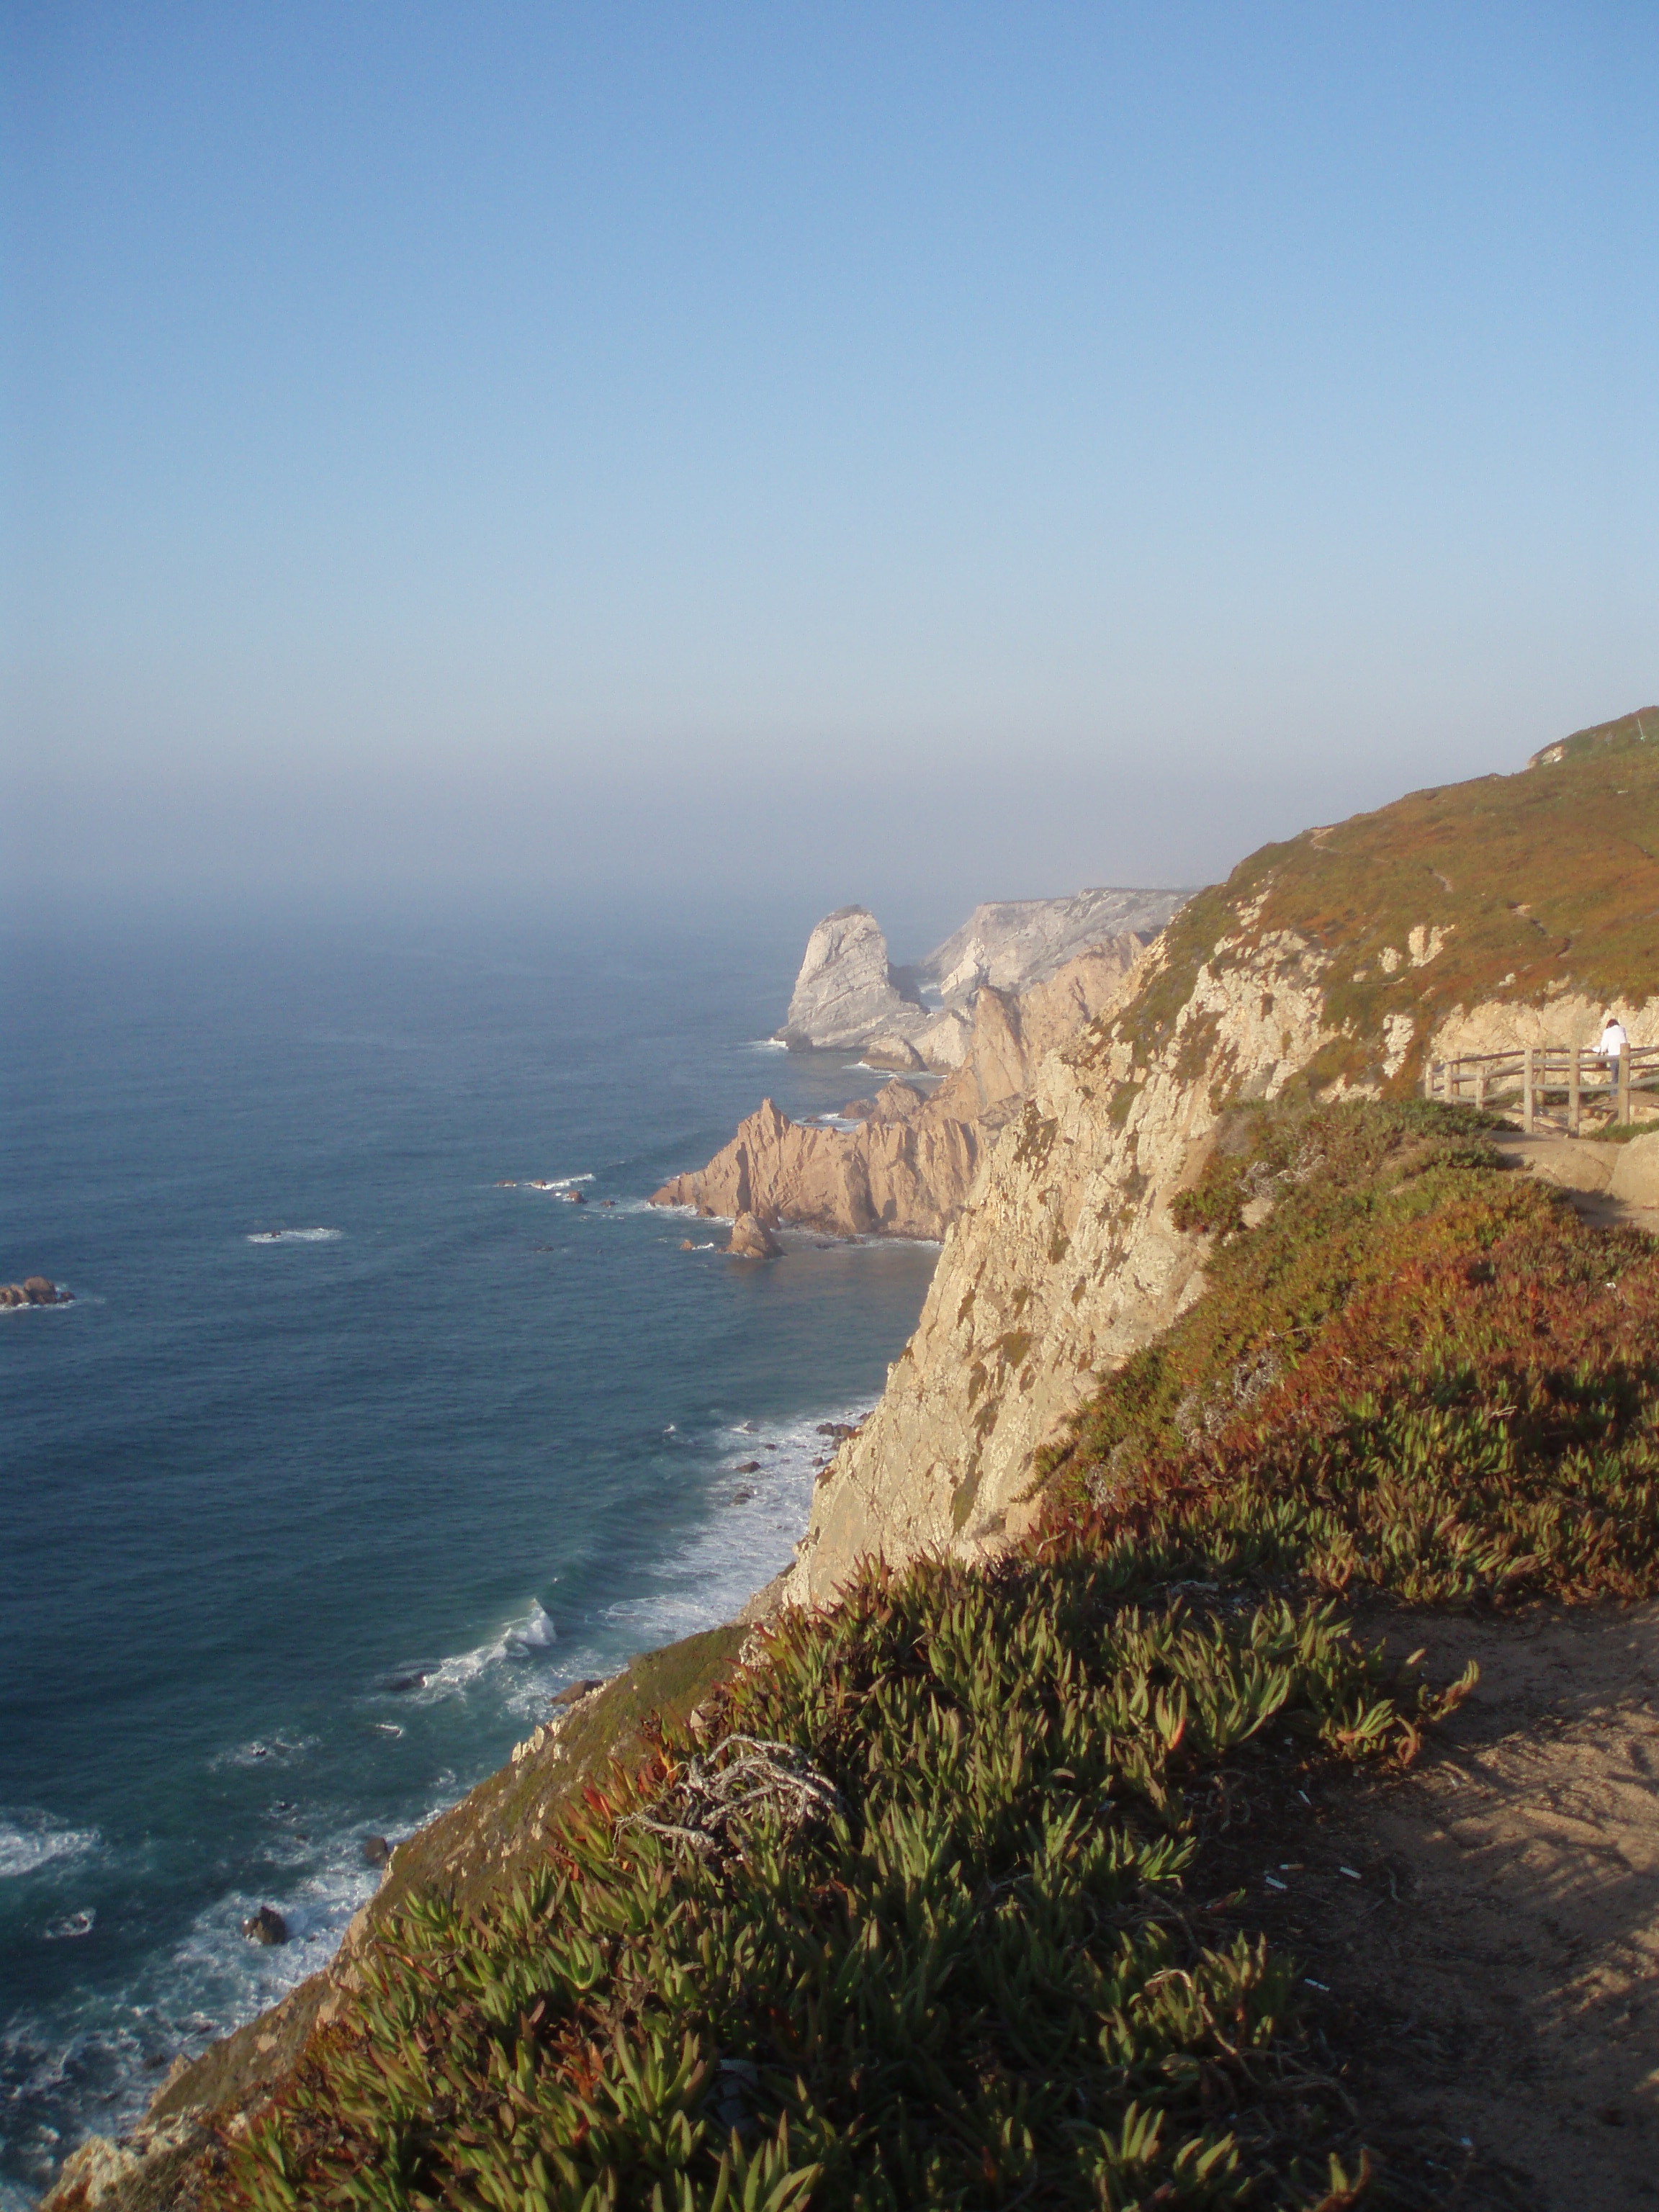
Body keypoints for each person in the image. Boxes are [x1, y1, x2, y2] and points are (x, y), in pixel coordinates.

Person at [1599, 1013, 1628, 1089]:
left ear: (1609, 1026)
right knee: (1624, 1078)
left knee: (1615, 1078)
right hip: (1624, 1055)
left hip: (1613, 1056)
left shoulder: (1608, 1031)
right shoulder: (1622, 1029)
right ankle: (1623, 1092)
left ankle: (1614, 1094)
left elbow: (1603, 1047)